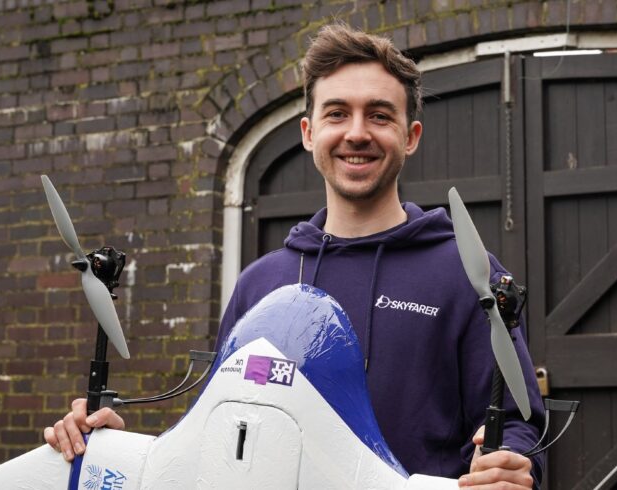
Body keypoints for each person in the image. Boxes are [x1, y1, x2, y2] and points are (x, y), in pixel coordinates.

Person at [45, 24, 545, 489]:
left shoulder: (465, 275)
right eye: (336, 113)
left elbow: (519, 424)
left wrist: (509, 465)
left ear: (409, 137)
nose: (356, 132)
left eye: (379, 114)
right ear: (308, 133)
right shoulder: (262, 283)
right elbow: (219, 428)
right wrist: (110, 443)